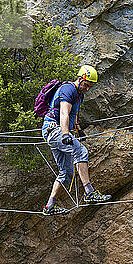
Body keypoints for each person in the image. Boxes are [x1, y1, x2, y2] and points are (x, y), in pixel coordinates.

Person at [41, 65, 111, 215]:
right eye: (86, 85)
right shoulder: (69, 89)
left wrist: (78, 130)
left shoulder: (79, 94)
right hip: (54, 129)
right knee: (81, 151)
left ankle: (49, 206)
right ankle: (89, 192)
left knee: (66, 173)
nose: (87, 89)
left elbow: (74, 115)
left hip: (57, 130)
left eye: (90, 87)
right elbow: (64, 113)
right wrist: (66, 134)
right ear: (80, 79)